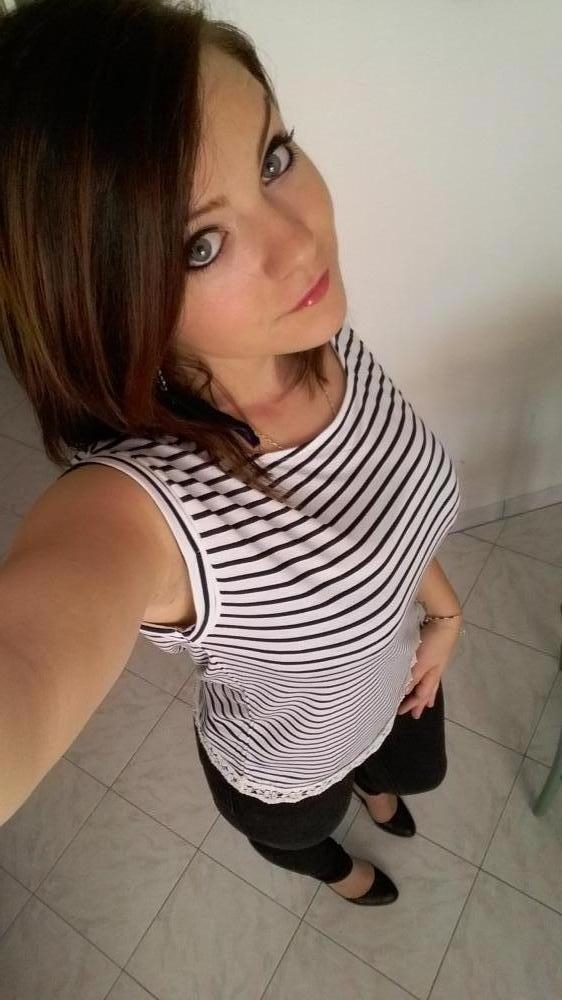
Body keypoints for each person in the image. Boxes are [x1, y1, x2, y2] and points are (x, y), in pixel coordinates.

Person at [0, 0, 463, 904]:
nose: (299, 242)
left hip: (402, 681)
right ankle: (337, 872)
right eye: (201, 244)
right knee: (307, 837)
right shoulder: (144, 511)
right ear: (105, 299)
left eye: (273, 158)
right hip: (284, 768)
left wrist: (442, 614)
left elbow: (386, 517)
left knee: (406, 773)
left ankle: (374, 786)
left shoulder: (318, 333)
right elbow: (27, 655)